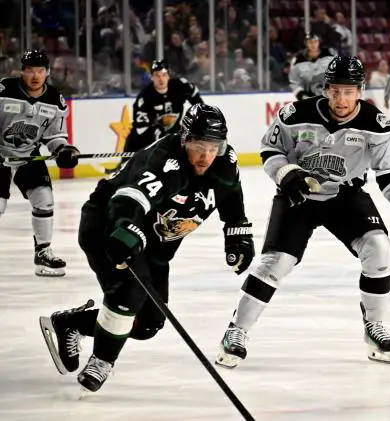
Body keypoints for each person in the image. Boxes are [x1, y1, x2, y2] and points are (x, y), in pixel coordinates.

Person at [215, 56, 390, 368]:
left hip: (346, 196)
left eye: (348, 92)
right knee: (275, 263)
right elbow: (269, 150)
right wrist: (286, 173)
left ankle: (374, 327)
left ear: (359, 91)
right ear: (325, 89)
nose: (341, 99)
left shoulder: (377, 124)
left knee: (379, 249)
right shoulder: (296, 115)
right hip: (299, 196)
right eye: (335, 91)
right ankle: (236, 331)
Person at [39, 104, 255, 392]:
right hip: (109, 225)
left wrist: (237, 234)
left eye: (213, 147)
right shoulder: (166, 161)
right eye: (199, 146)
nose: (206, 156)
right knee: (128, 294)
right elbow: (130, 199)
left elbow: (230, 199)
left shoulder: (225, 161)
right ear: (184, 139)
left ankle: (71, 322)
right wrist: (126, 227)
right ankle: (102, 361)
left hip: (153, 246)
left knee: (148, 323)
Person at [0, 49, 80, 277]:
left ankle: (43, 252)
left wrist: (62, 150)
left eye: (40, 71)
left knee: (44, 200)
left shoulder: (55, 99)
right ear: (22, 72)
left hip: (28, 155)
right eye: (30, 71)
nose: (35, 76)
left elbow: (54, 136)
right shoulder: (4, 90)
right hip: (0, 154)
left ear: (47, 73)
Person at [116, 59, 204, 166]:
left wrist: (201, 114)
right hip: (150, 135)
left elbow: (195, 97)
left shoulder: (180, 85)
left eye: (164, 74)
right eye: (157, 75)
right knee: (134, 139)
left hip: (173, 132)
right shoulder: (145, 97)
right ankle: (124, 165)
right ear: (152, 77)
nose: (161, 79)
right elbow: (140, 128)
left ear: (168, 76)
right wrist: (155, 138)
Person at [289, 32, 334, 100]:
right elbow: (294, 81)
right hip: (308, 97)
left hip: (329, 96)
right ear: (306, 43)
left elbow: (338, 72)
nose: (313, 45)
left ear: (319, 42)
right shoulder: (298, 59)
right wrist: (301, 95)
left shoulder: (330, 54)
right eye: (310, 42)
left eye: (315, 42)